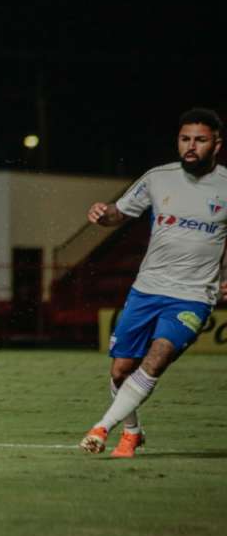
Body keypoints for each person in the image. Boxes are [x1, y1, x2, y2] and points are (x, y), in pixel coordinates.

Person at [79, 108, 227, 458]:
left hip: (193, 296)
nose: (191, 146)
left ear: (216, 145)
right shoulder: (157, 178)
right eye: (185, 139)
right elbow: (120, 213)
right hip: (146, 289)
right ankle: (133, 431)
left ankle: (102, 429)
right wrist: (103, 215)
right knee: (120, 369)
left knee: (157, 358)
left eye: (200, 140)